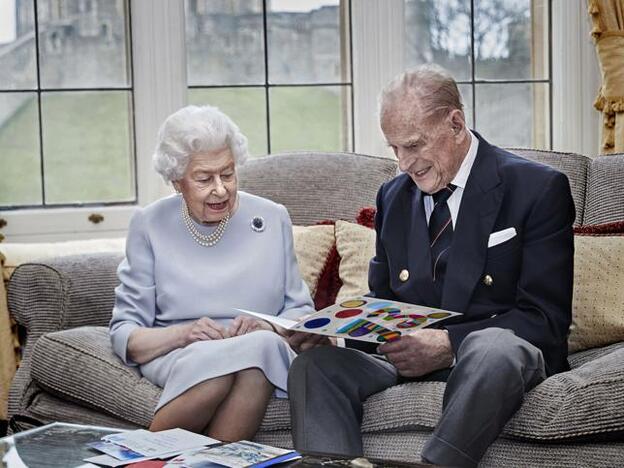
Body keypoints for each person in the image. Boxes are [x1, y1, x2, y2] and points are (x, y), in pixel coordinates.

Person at [287, 65, 575, 467]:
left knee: (493, 347)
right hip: (406, 361)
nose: (404, 163)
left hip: (489, 362)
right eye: (394, 149)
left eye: (414, 145)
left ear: (455, 123)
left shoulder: (537, 189)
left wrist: (448, 346)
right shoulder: (393, 196)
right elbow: (384, 302)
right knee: (315, 366)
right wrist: (334, 335)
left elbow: (545, 320)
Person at [109, 105, 315, 441]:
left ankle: (140, 458)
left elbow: (301, 312)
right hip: (179, 351)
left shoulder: (272, 217)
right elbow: (126, 333)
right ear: (177, 182)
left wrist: (268, 325)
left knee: (257, 352)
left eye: (228, 174)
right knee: (234, 367)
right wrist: (184, 334)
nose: (220, 189)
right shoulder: (150, 224)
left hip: (259, 347)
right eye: (204, 179)